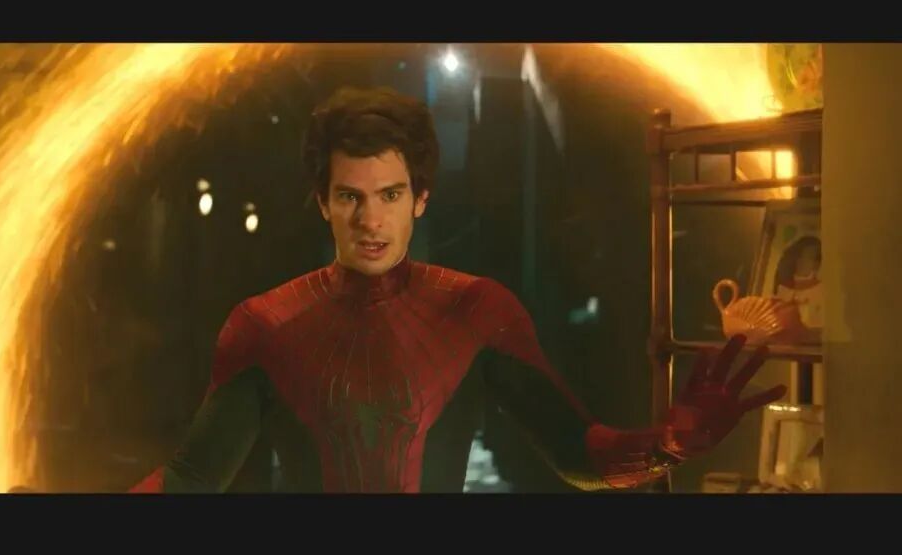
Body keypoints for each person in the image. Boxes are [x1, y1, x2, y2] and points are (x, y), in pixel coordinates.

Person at [128, 87, 786, 493]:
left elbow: (575, 452)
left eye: (390, 196)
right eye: (350, 197)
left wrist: (667, 444)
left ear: (421, 199)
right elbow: (192, 479)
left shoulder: (476, 312)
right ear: (322, 202)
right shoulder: (266, 325)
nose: (370, 220)